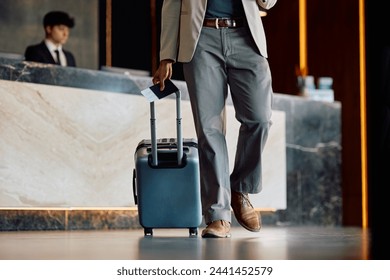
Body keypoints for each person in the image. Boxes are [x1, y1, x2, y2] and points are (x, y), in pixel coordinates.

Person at [152, 0, 277, 238]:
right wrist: (167, 54)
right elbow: (171, 5)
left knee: (259, 119)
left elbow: (268, 3)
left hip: (246, 36)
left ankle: (240, 187)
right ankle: (218, 214)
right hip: (201, 41)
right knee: (209, 129)